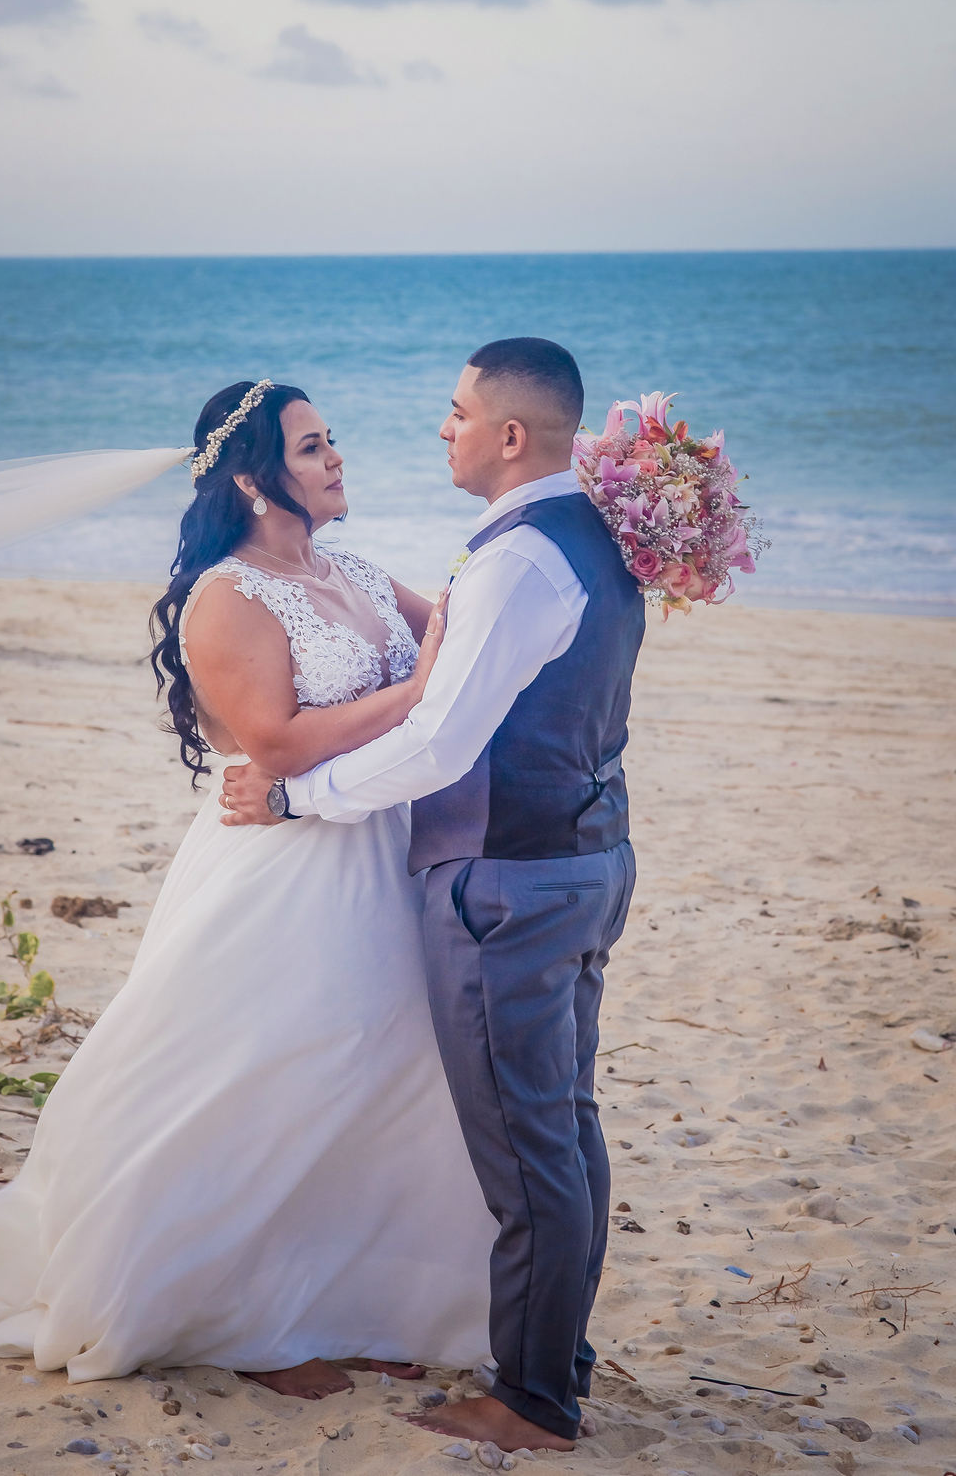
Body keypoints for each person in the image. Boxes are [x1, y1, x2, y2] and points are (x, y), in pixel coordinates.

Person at [0, 378, 498, 1395]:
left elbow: (466, 633)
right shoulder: (226, 595)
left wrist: (587, 525)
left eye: (331, 438)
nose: (336, 456)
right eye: (310, 446)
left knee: (375, 1078)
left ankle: (345, 1300)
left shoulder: (354, 569)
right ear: (254, 477)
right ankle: (209, 1298)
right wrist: (418, 689)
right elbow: (276, 742)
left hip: (388, 859)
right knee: (260, 1075)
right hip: (286, 875)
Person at [220, 339, 646, 1452]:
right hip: (588, 858)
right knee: (566, 1123)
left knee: (528, 1147)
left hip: (507, 882)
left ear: (510, 435)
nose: (439, 430)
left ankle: (536, 1397)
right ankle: (562, 1356)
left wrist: (300, 800)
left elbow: (440, 744)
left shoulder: (513, 563)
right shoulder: (592, 534)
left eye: (455, 413)